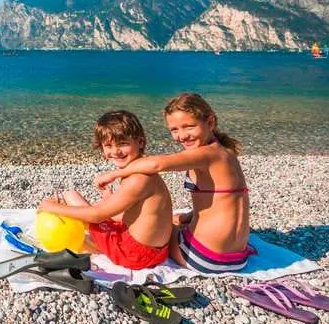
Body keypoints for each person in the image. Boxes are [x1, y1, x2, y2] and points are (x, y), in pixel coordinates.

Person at [95, 93, 253, 273]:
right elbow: (225, 202)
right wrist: (190, 216)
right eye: (174, 130)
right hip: (238, 257)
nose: (182, 136)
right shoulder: (226, 151)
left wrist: (114, 174)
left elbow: (156, 164)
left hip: (205, 258)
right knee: (173, 220)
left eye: (189, 127)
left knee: (154, 228)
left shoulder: (207, 154)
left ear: (210, 122)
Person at [38, 110, 172, 270]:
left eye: (122, 144)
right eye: (108, 146)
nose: (115, 151)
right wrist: (109, 198)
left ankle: (92, 245)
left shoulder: (138, 179)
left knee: (71, 197)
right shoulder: (142, 170)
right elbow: (132, 214)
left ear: (140, 142)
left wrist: (52, 207)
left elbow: (96, 215)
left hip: (135, 255)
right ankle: (95, 241)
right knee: (80, 203)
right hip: (156, 251)